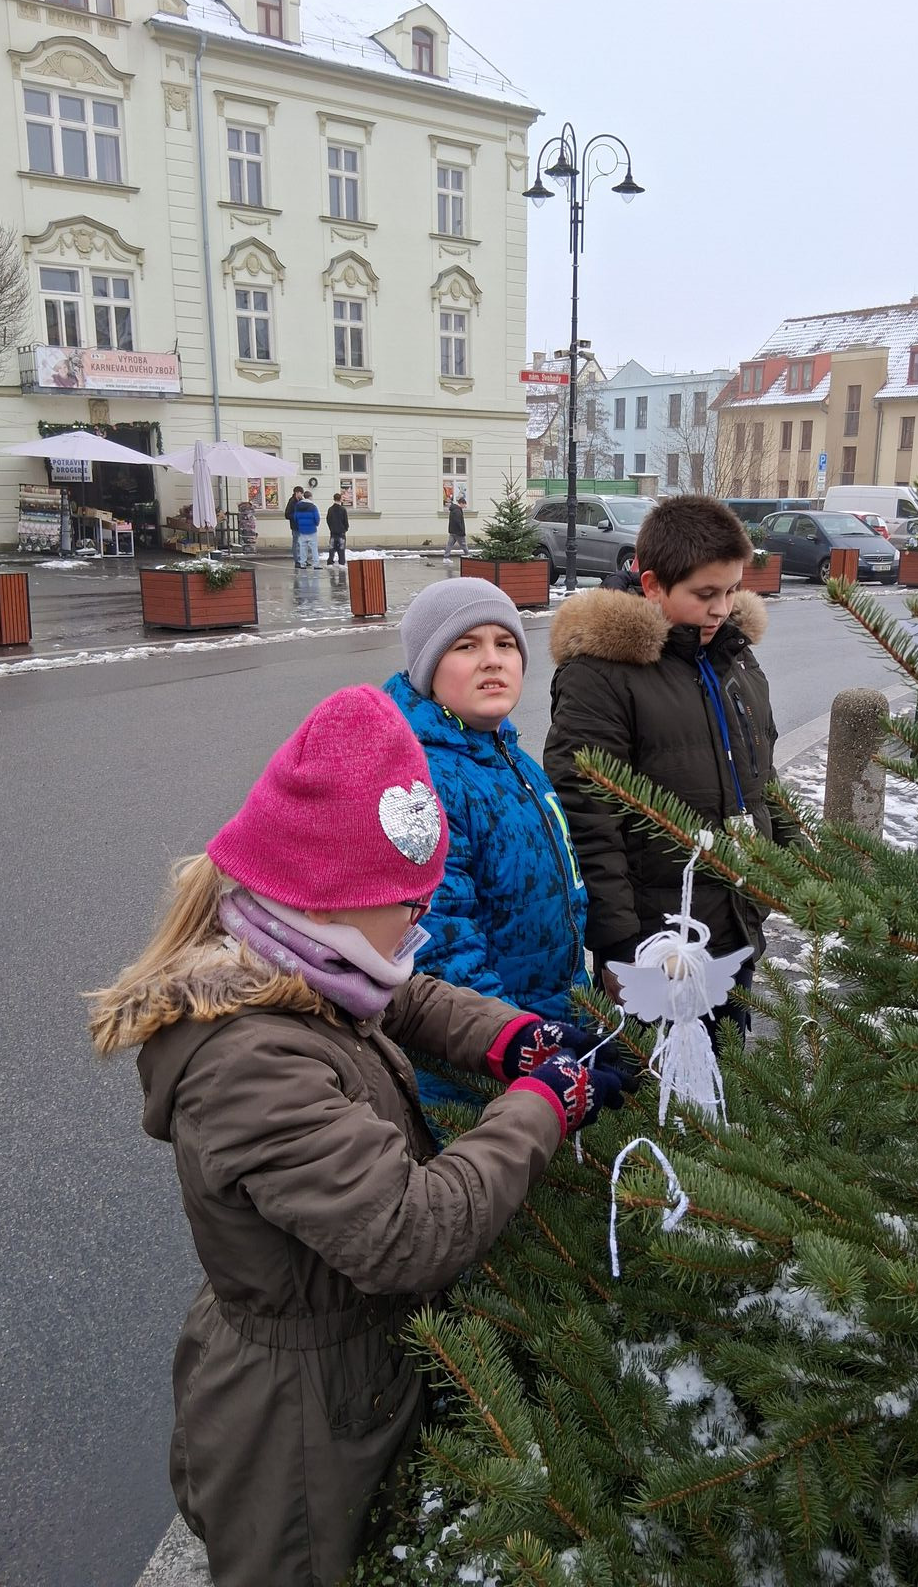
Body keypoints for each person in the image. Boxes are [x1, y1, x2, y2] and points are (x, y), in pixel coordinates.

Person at [87, 686, 629, 1587]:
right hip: (299, 1428)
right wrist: (545, 1103)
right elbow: (410, 1231)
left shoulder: (301, 959)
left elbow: (403, 995)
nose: (422, 919)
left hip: (357, 1370)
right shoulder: (247, 1063)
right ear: (329, 901)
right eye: (408, 901)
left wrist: (509, 1039)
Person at [544, 495, 786, 1035]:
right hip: (656, 943)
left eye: (731, 590)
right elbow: (587, 814)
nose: (722, 608)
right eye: (705, 594)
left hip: (736, 922)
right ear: (653, 585)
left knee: (725, 1073)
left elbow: (761, 776)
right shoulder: (602, 674)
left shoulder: (733, 657)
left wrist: (793, 871)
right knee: (655, 1079)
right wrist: (618, 942)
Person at [386, 578, 588, 1025]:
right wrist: (519, 1041)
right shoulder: (424, 782)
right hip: (493, 1046)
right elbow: (443, 947)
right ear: (428, 668)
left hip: (561, 1020)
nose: (493, 659)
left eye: (505, 643)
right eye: (466, 646)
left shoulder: (512, 760)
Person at [292, 489, 321, 569]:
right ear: (310, 497)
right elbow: (317, 518)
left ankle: (302, 563)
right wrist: (316, 524)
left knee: (302, 547)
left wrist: (299, 524)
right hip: (312, 529)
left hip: (302, 529)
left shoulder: (298, 506)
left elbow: (295, 517)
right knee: (314, 548)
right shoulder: (313, 506)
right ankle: (316, 564)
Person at [326, 490, 349, 565]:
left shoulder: (330, 509)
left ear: (334, 499)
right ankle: (341, 562)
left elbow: (328, 520)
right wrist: (345, 528)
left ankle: (330, 561)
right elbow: (345, 521)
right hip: (341, 532)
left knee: (332, 548)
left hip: (333, 532)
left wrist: (331, 528)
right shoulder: (343, 509)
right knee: (341, 549)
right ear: (340, 499)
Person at [283, 485, 304, 564]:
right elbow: (287, 514)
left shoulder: (301, 501)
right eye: (301, 493)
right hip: (295, 526)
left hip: (302, 525)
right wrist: (296, 516)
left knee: (303, 543)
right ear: (297, 493)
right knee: (296, 543)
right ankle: (297, 560)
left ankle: (303, 559)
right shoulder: (292, 502)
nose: (302, 495)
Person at [444, 496, 468, 561]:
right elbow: (458, 522)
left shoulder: (453, 509)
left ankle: (446, 557)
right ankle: (468, 555)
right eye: (464, 504)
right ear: (461, 503)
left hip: (452, 531)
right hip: (458, 532)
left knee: (449, 545)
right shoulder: (458, 511)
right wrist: (462, 531)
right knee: (463, 544)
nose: (465, 506)